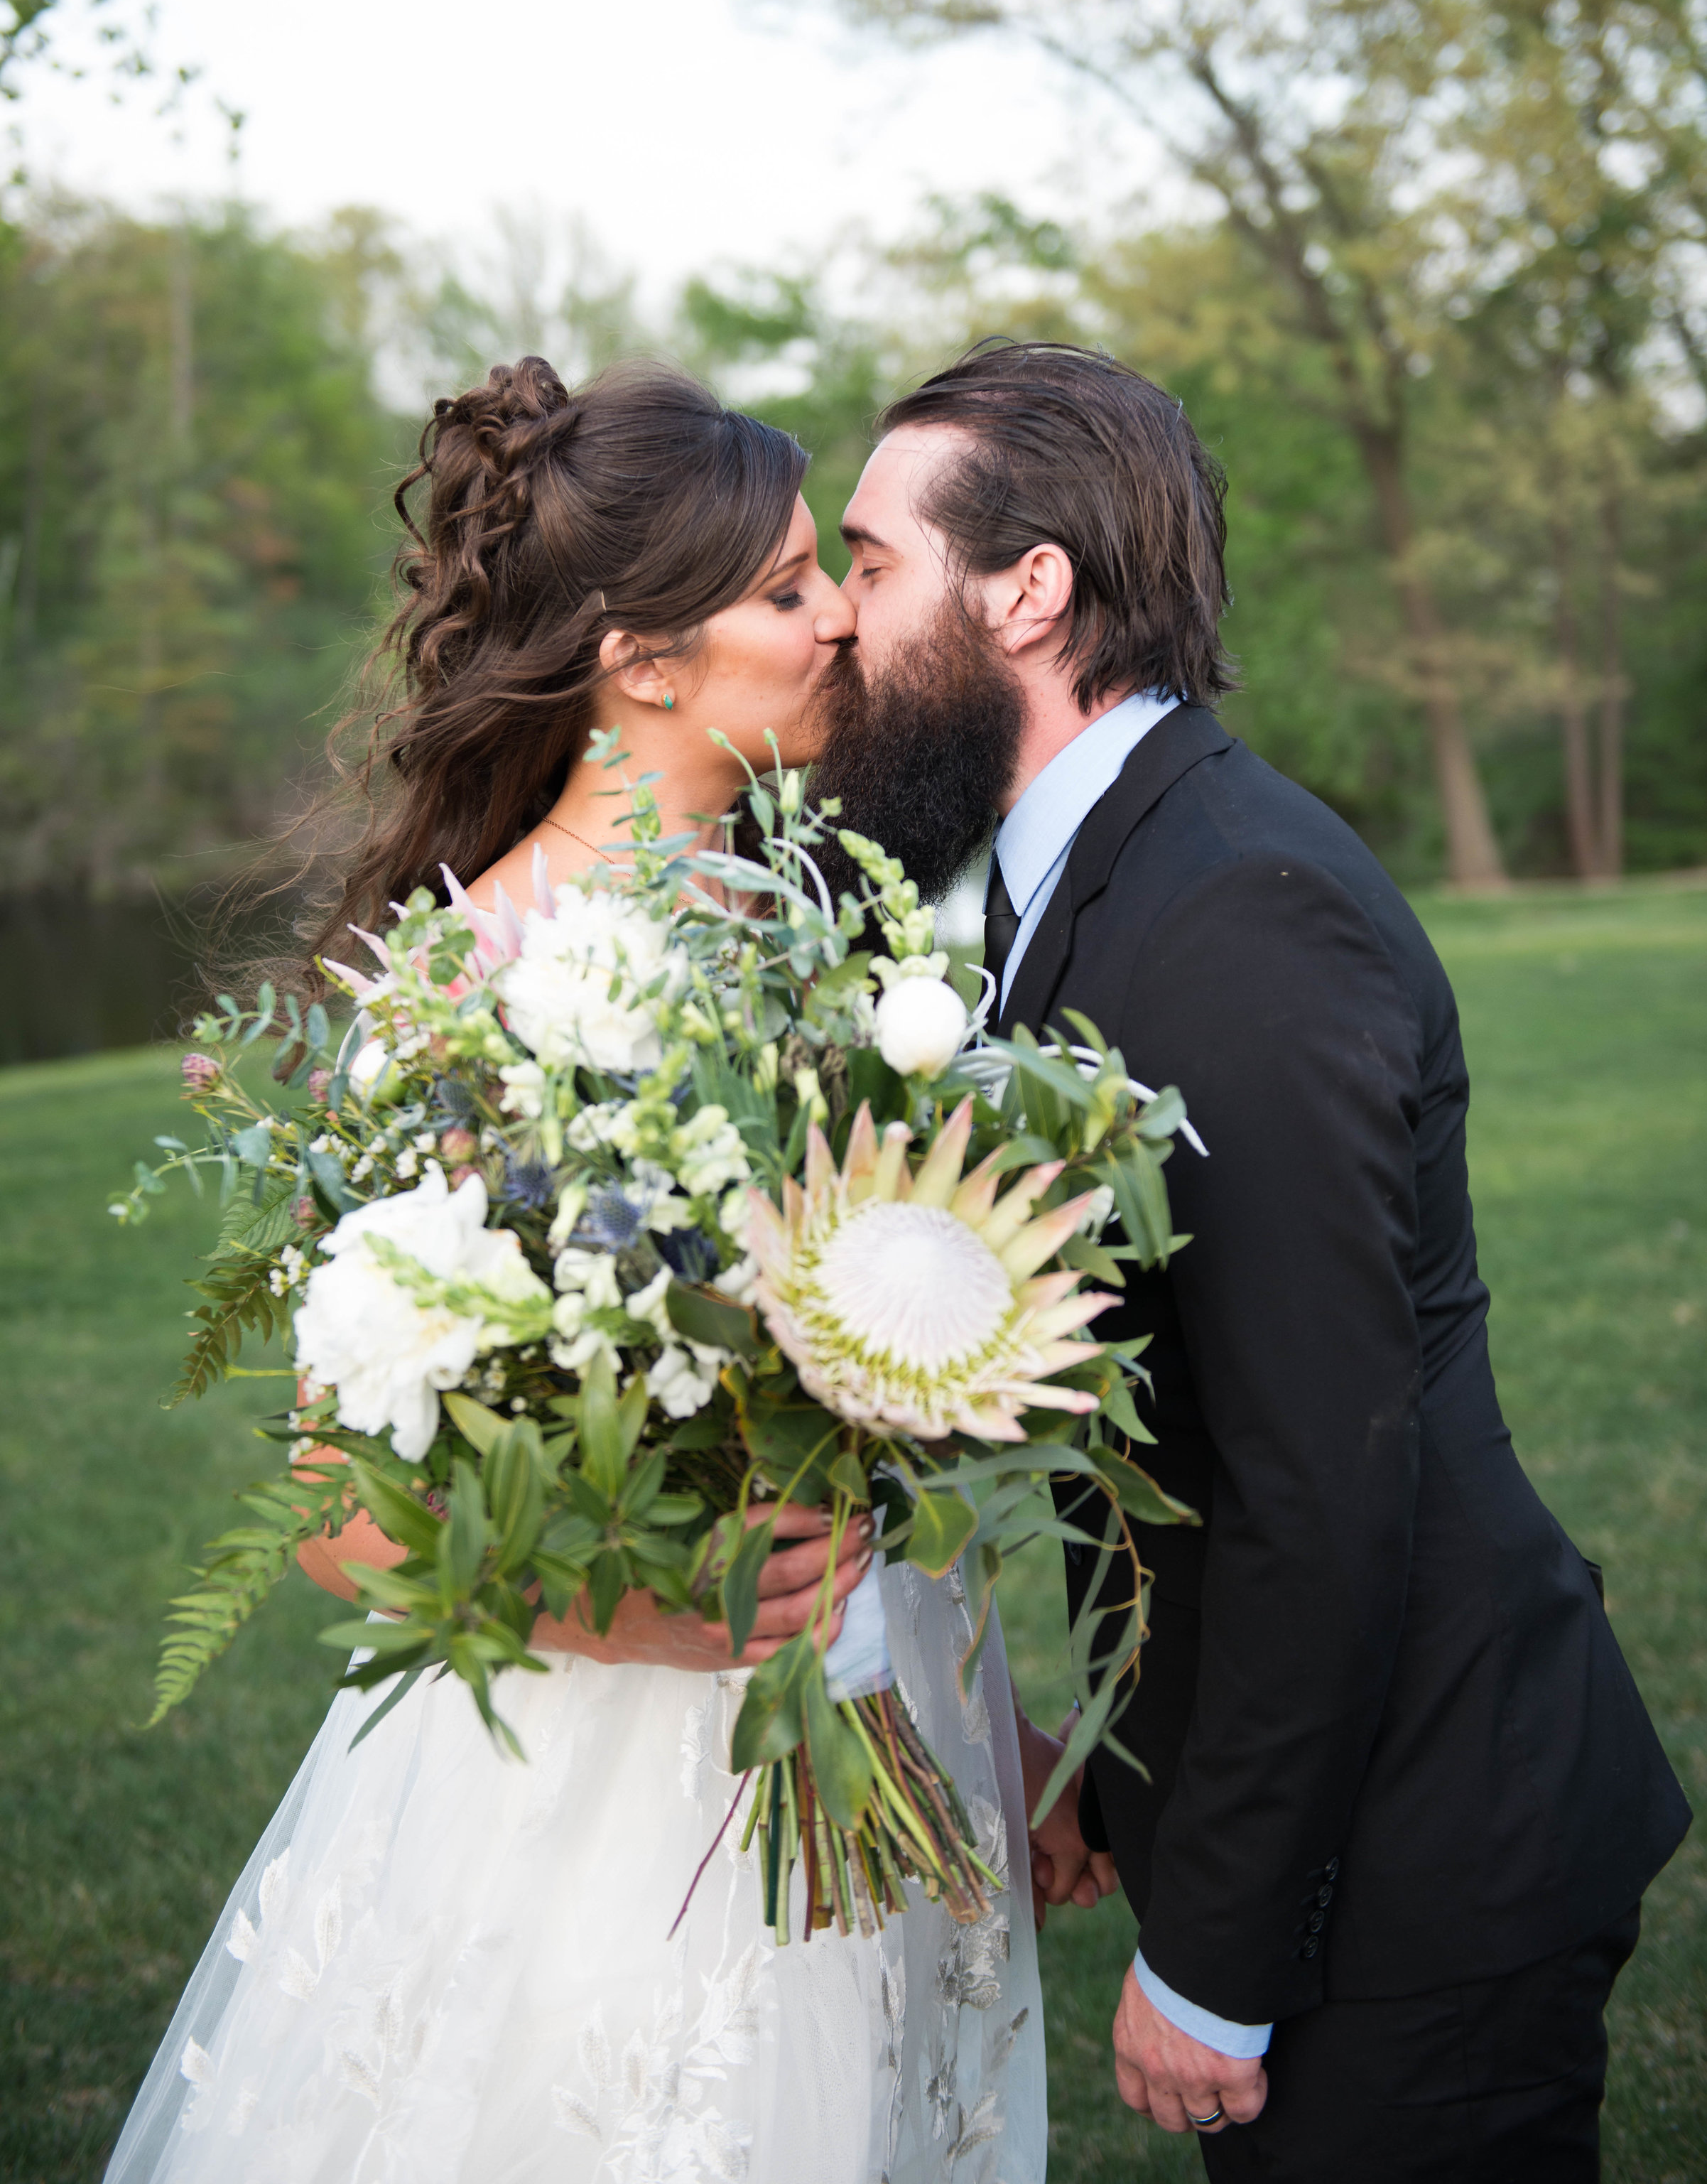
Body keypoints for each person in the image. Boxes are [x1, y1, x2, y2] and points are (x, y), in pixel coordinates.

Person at [106, 357, 1080, 2184]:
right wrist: (656, 1612)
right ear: (641, 659)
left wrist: (975, 1695)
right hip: (622, 1775)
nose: (842, 629)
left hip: (877, 1681)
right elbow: (338, 1496)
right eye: (789, 591)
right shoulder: (466, 993)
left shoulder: (810, 932)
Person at [811, 337, 1691, 2182]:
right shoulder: (1089, 872)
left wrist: (1213, 1962)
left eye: (873, 562)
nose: (836, 619)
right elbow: (1184, 1433)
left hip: (1420, 1871)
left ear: (1026, 590)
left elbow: (1320, 1486)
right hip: (1334, 1821)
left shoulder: (1238, 919)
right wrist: (1119, 1787)